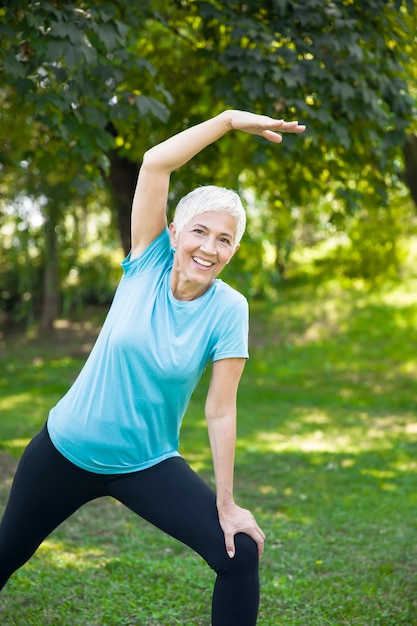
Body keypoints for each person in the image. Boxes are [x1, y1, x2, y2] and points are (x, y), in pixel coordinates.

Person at [0, 110, 305, 625]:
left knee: (240, 554)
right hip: (64, 449)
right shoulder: (147, 260)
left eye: (224, 240)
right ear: (173, 231)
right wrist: (229, 122)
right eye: (200, 232)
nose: (208, 248)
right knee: (6, 555)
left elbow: (221, 410)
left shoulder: (231, 310)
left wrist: (228, 505)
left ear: (234, 250)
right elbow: (154, 163)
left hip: (146, 463)